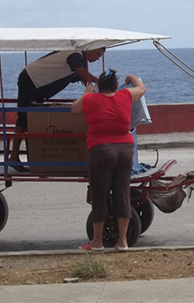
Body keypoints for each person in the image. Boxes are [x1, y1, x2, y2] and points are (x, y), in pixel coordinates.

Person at [71, 69, 146, 251]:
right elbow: (141, 88)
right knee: (123, 194)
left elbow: (74, 109)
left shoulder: (91, 99)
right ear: (116, 85)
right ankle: (122, 241)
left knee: (100, 195)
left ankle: (97, 241)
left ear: (99, 86)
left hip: (101, 149)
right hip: (125, 150)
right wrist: (131, 78)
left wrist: (86, 93)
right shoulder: (125, 95)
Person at [9, 48, 105, 171]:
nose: (98, 58)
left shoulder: (80, 61)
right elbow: (81, 72)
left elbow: (83, 79)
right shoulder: (76, 56)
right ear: (90, 49)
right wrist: (99, 81)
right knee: (23, 119)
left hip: (38, 85)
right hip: (31, 80)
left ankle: (34, 158)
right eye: (97, 53)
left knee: (31, 119)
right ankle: (14, 156)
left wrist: (96, 93)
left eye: (100, 56)